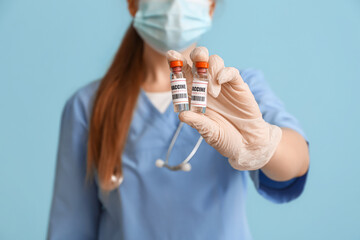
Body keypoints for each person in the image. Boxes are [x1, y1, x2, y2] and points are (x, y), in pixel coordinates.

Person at [47, 0, 310, 239]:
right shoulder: (89, 106)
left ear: (210, 7)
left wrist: (264, 144)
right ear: (132, 4)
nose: (174, 4)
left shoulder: (236, 89)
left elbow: (297, 161)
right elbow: (70, 228)